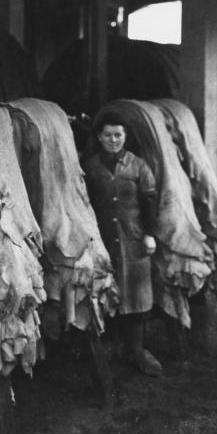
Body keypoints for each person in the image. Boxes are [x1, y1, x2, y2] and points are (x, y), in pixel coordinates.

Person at [82, 112, 163, 376]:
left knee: (137, 295)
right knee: (107, 291)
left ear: (125, 137)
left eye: (118, 135)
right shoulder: (90, 166)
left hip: (134, 239)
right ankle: (113, 348)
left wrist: (150, 234)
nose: (113, 140)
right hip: (103, 240)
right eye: (108, 135)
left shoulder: (138, 166)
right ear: (99, 137)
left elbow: (150, 202)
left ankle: (137, 350)